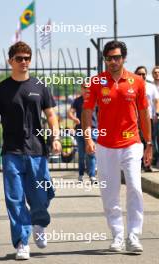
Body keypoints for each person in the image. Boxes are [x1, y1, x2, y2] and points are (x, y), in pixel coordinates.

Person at [0, 41, 61, 260]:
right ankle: (21, 241)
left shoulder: (40, 86)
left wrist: (55, 136)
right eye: (19, 58)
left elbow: (52, 116)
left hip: (38, 152)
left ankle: (39, 224)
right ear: (11, 61)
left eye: (27, 58)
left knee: (41, 196)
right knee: (15, 199)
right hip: (12, 153)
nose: (24, 62)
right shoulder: (0, 89)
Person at [82, 40, 152, 253]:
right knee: (109, 192)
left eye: (117, 57)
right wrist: (87, 138)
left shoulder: (137, 82)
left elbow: (143, 114)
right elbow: (87, 111)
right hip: (105, 145)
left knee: (134, 187)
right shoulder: (96, 82)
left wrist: (148, 143)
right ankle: (118, 236)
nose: (113, 61)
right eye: (109, 58)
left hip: (132, 143)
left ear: (124, 58)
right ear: (105, 59)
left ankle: (133, 236)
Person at [68, 85, 97, 183]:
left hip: (93, 129)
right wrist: (74, 118)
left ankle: (92, 175)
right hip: (80, 130)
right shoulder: (77, 101)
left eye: (89, 87)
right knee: (81, 153)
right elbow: (70, 113)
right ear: (81, 88)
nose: (87, 89)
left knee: (91, 153)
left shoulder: (95, 99)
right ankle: (81, 174)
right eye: (85, 87)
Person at [135, 66, 159, 172]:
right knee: (138, 142)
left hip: (149, 118)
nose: (141, 76)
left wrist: (156, 114)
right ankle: (139, 164)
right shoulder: (132, 86)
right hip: (135, 119)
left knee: (149, 142)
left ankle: (147, 164)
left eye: (143, 74)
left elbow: (156, 101)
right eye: (139, 74)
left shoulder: (151, 87)